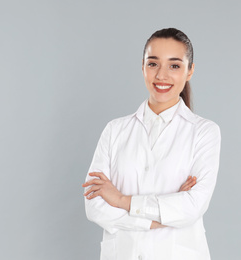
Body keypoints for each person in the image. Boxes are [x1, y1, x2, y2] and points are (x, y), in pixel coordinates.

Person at [82, 28, 221, 260]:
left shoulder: (204, 132)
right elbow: (95, 207)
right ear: (143, 67)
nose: (161, 75)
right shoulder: (115, 130)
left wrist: (121, 200)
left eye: (174, 65)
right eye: (153, 64)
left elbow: (192, 207)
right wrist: (159, 219)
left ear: (190, 71)